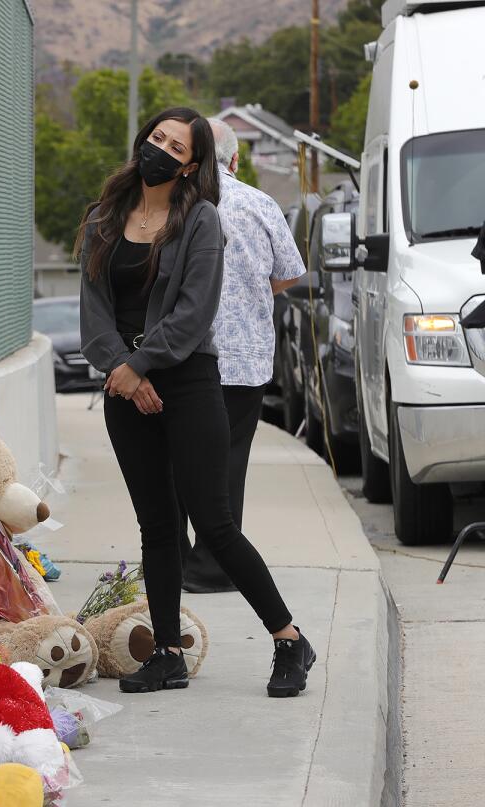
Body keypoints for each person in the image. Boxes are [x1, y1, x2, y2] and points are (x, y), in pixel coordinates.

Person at [77, 107, 315, 697]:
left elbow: (193, 312)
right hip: (123, 388)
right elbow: (93, 310)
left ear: (192, 166)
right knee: (157, 528)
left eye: (175, 147)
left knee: (214, 522)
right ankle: (166, 654)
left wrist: (140, 365)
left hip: (188, 384)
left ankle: (289, 640)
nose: (158, 149)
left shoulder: (202, 220)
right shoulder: (105, 217)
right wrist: (119, 368)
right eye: (156, 137)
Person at [177, 119, 307, 593]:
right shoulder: (259, 202)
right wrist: (255, 288)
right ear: (234, 160)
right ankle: (215, 566)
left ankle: (179, 560)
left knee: (177, 460)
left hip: (183, 356)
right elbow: (290, 272)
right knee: (229, 462)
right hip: (245, 360)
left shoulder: (177, 201)